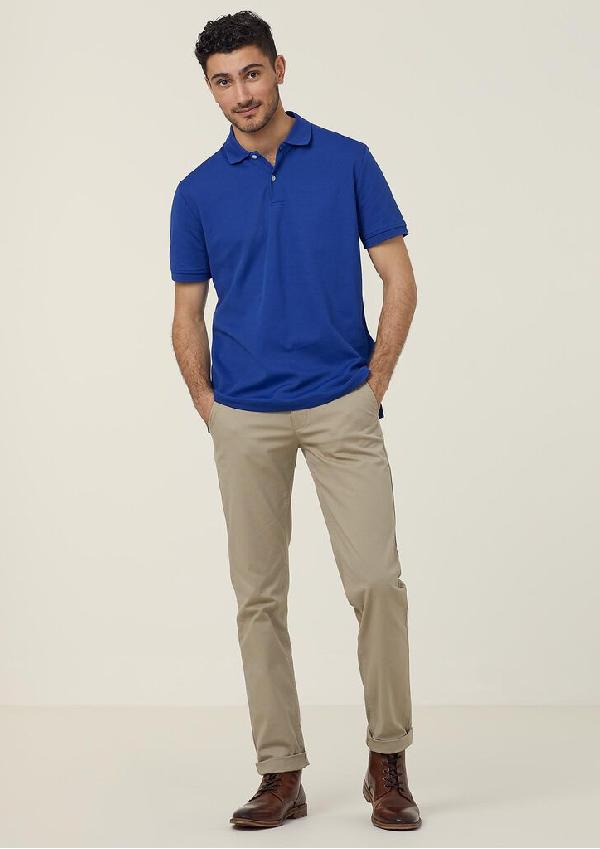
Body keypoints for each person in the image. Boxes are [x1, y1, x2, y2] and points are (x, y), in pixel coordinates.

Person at [169, 10, 421, 831]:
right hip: (246, 414)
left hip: (341, 401)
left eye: (251, 73)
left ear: (279, 68)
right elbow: (186, 313)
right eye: (222, 81)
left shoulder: (347, 160)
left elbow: (399, 278)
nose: (240, 93)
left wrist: (373, 382)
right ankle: (280, 770)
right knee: (258, 597)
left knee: (376, 581)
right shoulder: (196, 192)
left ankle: (388, 762)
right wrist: (210, 406)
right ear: (210, 90)